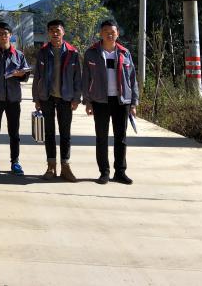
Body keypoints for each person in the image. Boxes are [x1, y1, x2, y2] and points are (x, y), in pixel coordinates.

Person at [82, 19, 139, 185]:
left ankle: (120, 172)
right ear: (101, 33)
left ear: (117, 34)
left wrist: (133, 103)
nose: (109, 34)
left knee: (121, 138)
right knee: (101, 138)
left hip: (122, 101)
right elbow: (86, 78)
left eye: (112, 32)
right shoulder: (91, 53)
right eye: (106, 32)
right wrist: (88, 102)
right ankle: (104, 172)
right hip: (100, 101)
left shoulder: (124, 53)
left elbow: (132, 79)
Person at [31, 19, 82, 182]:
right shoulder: (43, 52)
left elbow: (78, 78)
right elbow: (37, 76)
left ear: (63, 32)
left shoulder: (73, 53)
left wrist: (76, 98)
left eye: (57, 30)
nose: (55, 33)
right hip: (47, 97)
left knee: (65, 134)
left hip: (66, 98)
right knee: (49, 133)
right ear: (48, 33)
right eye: (51, 30)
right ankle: (51, 166)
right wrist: (36, 98)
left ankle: (65, 167)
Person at [0, 22, 31, 175]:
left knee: (14, 133)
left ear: (10, 35)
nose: (3, 36)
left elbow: (25, 74)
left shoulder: (18, 54)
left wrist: (21, 74)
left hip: (13, 99)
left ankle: (15, 162)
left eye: (6, 33)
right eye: (0, 33)